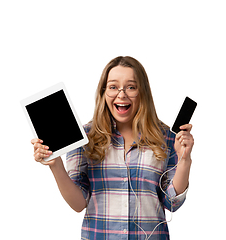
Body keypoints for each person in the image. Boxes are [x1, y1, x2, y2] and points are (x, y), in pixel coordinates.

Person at [31, 56, 194, 240]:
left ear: (143, 92)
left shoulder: (167, 138)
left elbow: (172, 203)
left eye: (131, 87)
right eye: (113, 87)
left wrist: (184, 160)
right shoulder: (85, 138)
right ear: (104, 92)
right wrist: (55, 165)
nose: (121, 94)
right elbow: (78, 204)